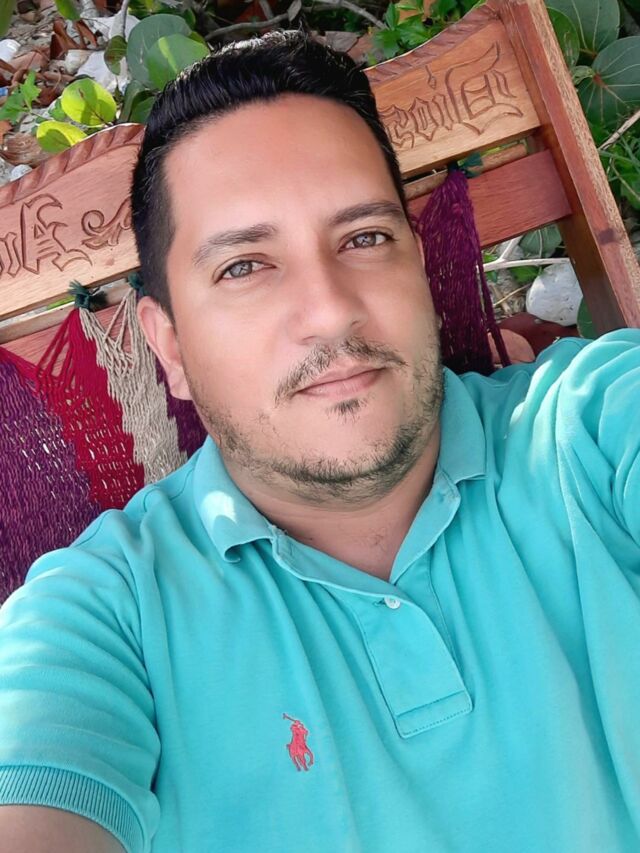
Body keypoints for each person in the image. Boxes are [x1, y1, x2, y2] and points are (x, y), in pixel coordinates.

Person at [0, 28, 639, 853]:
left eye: (364, 238)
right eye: (244, 266)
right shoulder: (106, 614)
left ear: (417, 266)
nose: (331, 308)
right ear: (171, 348)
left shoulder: (587, 431)